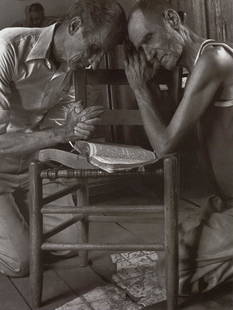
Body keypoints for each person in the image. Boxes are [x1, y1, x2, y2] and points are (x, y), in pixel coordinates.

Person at [0, 0, 126, 277]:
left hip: (31, 166)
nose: (92, 63)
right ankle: (16, 225)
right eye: (93, 49)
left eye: (100, 54)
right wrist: (60, 132)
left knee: (70, 244)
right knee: (24, 263)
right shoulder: (7, 47)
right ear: (75, 26)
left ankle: (18, 219)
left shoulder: (70, 66)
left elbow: (58, 128)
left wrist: (74, 128)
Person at [125, 0, 233, 301]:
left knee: (177, 274)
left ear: (172, 19)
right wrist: (161, 87)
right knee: (170, 262)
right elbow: (177, 145)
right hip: (225, 203)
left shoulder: (215, 59)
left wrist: (139, 91)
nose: (148, 54)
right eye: (141, 49)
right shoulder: (190, 71)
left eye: (149, 39)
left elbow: (164, 146)